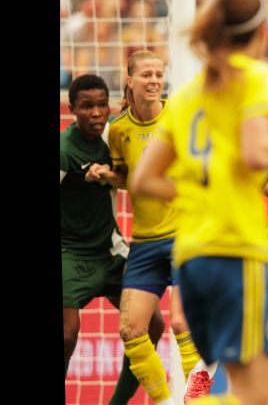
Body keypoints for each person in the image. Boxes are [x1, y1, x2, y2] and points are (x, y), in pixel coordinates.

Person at [130, 0, 268, 405]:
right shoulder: (256, 77)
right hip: (235, 251)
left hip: (190, 254)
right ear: (262, 32)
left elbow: (143, 181)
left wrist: (198, 189)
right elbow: (255, 153)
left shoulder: (189, 95)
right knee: (256, 395)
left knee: (267, 387)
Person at [96, 50, 205, 405]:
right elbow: (130, 181)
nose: (155, 80)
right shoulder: (120, 131)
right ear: (129, 80)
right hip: (144, 242)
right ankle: (164, 400)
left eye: (159, 74)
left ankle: (196, 401)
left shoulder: (181, 115)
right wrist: (108, 176)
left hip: (185, 236)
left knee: (181, 324)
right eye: (146, 74)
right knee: (131, 329)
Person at [61, 74, 165, 405]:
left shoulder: (116, 137)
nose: (96, 113)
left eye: (101, 104)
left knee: (152, 326)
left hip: (110, 251)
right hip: (69, 254)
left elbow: (132, 176)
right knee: (66, 334)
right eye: (86, 106)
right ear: (72, 109)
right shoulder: (64, 151)